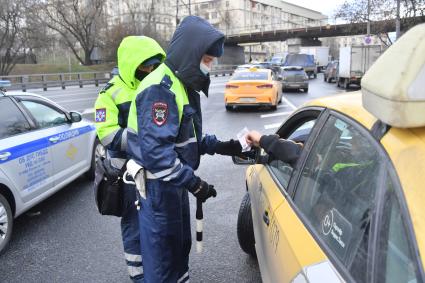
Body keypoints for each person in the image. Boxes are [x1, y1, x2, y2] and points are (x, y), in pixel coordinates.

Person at [126, 16, 249, 283]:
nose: (210, 66)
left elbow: (188, 138)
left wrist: (226, 146)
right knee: (162, 257)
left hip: (172, 185)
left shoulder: (179, 83)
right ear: (190, 55)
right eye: (207, 60)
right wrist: (194, 183)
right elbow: (158, 155)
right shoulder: (161, 89)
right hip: (159, 187)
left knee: (178, 248)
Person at [94, 36, 165, 283]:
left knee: (159, 224)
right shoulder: (110, 94)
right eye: (147, 65)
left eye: (156, 64)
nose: (152, 70)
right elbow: (106, 133)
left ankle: (159, 271)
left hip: (158, 171)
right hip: (128, 174)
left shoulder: (159, 86)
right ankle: (139, 277)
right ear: (131, 64)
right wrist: (144, 141)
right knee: (134, 228)